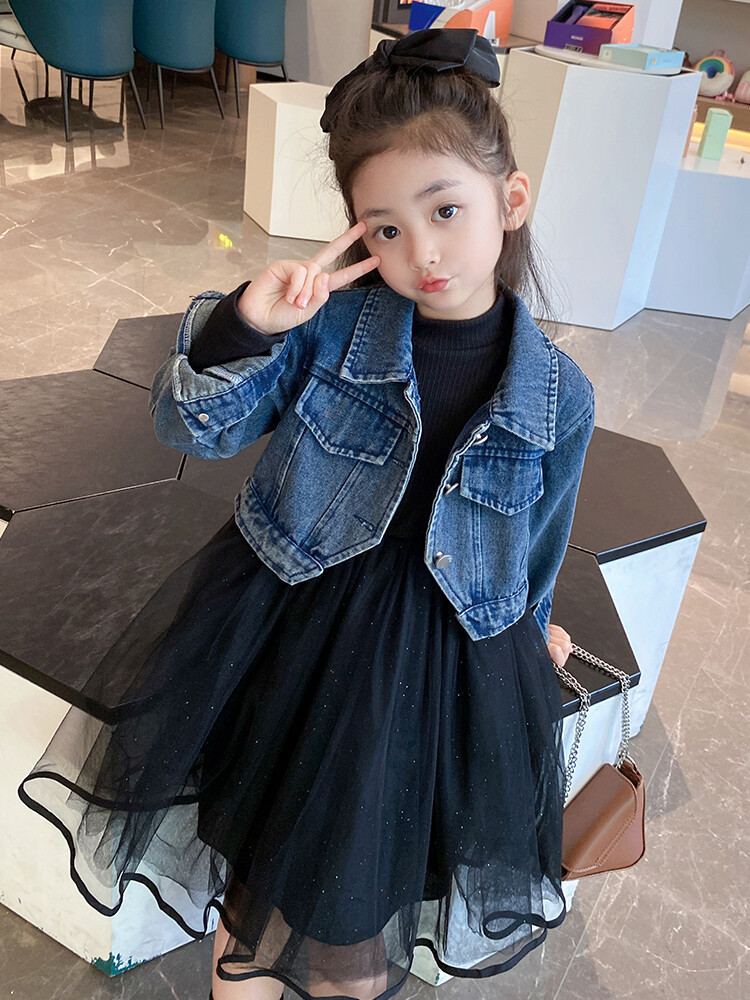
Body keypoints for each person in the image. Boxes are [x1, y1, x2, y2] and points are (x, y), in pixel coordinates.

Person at [18, 27, 595, 1000]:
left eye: (446, 209)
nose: (423, 252)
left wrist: (530, 631)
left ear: (512, 198)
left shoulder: (557, 398)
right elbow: (191, 425)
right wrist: (248, 321)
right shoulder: (330, 326)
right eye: (384, 229)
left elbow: (535, 543)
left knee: (358, 917)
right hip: (293, 629)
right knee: (254, 890)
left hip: (435, 668)